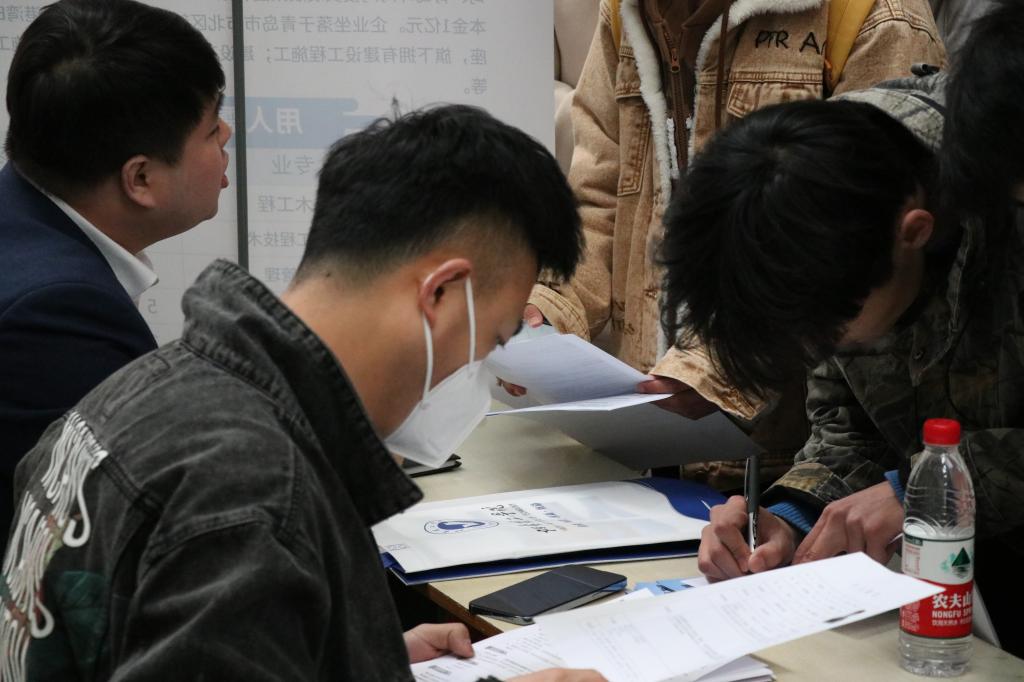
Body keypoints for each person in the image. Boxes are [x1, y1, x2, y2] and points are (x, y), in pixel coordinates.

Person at [0, 103, 603, 682]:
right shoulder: (254, 491)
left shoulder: (146, 391)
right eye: (493, 337)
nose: (479, 367)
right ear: (441, 294)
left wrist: (347, 655)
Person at [662, 0, 1024, 650]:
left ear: (913, 234)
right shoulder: (822, 212)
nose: (823, 352)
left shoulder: (1005, 176)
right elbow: (850, 424)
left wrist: (928, 488)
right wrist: (791, 515)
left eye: (830, 337)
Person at [516, 0, 948, 491]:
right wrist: (552, 308)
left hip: (786, 454)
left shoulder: (872, 16)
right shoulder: (625, 10)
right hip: (642, 440)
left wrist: (714, 370)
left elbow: (848, 256)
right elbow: (600, 189)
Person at [0, 0, 232, 549]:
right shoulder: (56, 313)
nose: (226, 133)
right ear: (141, 179)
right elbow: (139, 532)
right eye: (209, 128)